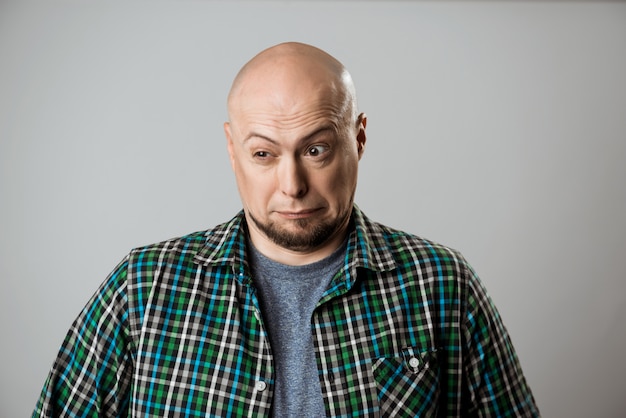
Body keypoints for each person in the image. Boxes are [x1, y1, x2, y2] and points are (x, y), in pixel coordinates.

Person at [33, 42, 539, 417]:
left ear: (358, 139)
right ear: (233, 152)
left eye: (316, 149)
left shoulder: (443, 285)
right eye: (263, 154)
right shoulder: (142, 288)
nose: (292, 184)